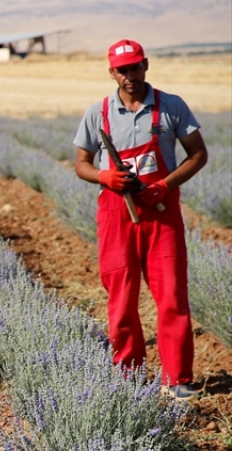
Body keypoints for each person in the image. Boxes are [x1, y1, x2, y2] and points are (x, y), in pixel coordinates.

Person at [73, 39, 208, 400]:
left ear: (145, 65)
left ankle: (177, 379)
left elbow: (197, 155)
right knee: (121, 298)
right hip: (116, 216)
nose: (129, 75)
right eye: (122, 70)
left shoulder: (172, 107)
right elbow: (81, 163)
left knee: (172, 296)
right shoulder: (97, 113)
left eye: (135, 67)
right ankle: (129, 378)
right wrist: (105, 178)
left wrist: (164, 185)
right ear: (112, 72)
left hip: (161, 215)